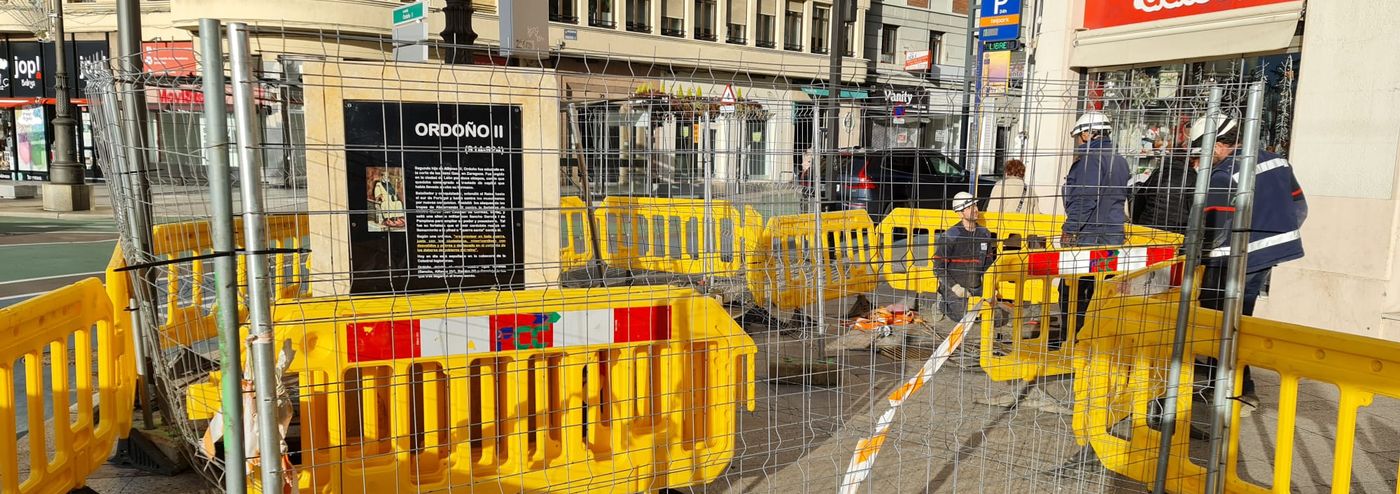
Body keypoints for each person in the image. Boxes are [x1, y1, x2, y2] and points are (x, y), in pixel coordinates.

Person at [1190, 114, 1308, 415]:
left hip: (1232, 260)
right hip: (1265, 256)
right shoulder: (1277, 162)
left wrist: (1198, 255)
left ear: (1217, 145)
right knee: (1239, 319)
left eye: (1200, 149)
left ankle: (1241, 390)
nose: (1198, 156)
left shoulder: (1223, 175)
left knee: (1220, 323)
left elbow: (1216, 229)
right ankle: (1229, 386)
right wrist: (1276, 234)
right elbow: (1300, 206)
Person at [1055, 111, 1132, 348]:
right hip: (1112, 237)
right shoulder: (1119, 160)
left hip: (1089, 237)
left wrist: (1070, 230)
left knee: (1072, 290)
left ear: (1088, 134)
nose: (1078, 142)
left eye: (1079, 136)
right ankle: (1097, 339)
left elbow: (1084, 200)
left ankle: (1075, 339)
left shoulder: (1090, 159)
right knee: (1102, 293)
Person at [934, 192, 998, 322]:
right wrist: (955, 288)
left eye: (975, 205)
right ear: (959, 213)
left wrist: (991, 288)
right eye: (969, 207)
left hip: (976, 288)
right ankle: (943, 304)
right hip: (955, 289)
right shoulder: (951, 236)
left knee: (998, 318)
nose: (975, 209)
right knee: (964, 316)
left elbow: (989, 265)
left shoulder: (984, 234)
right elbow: (938, 268)